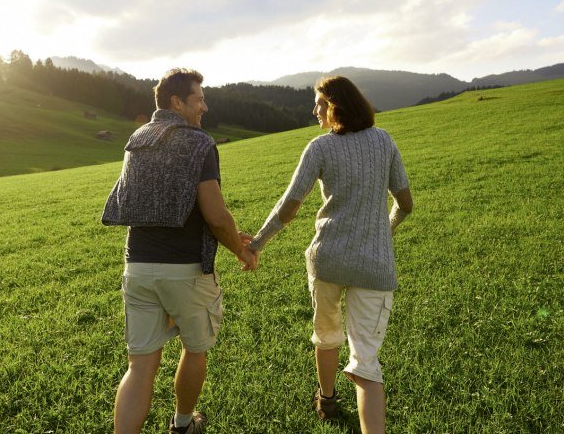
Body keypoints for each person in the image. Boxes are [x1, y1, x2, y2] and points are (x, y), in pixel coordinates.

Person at [248, 76, 413, 434]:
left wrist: (256, 244)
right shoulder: (384, 141)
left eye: (320, 103)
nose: (314, 110)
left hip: (327, 261)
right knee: (366, 363)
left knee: (326, 334)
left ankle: (326, 399)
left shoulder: (319, 148)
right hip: (374, 266)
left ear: (337, 105)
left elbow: (289, 207)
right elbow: (405, 203)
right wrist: (384, 231)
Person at [102, 68, 259, 434]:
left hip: (137, 268)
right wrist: (240, 249)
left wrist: (232, 235)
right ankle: (183, 425)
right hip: (186, 271)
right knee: (195, 348)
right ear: (176, 102)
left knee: (139, 368)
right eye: (199, 99)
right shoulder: (199, 142)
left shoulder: (136, 138)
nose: (205, 106)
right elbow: (216, 216)